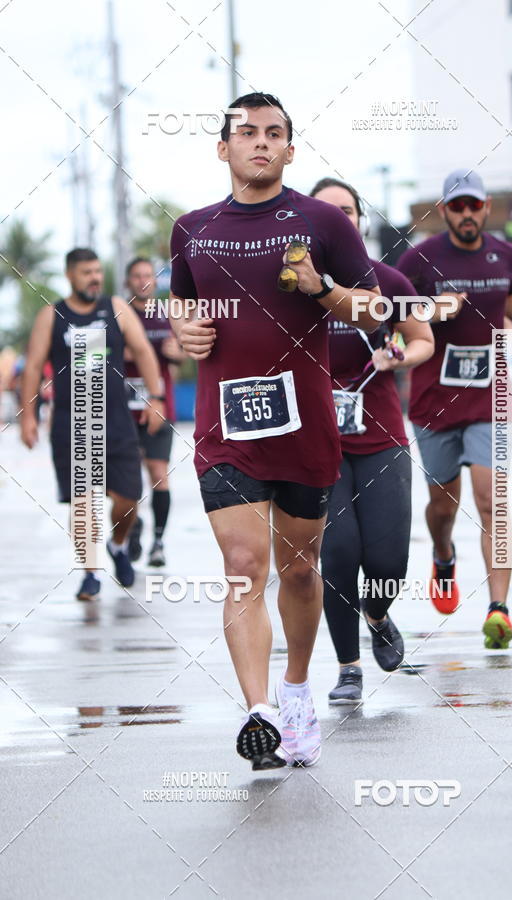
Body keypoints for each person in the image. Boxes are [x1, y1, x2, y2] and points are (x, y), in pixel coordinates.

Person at [168, 93, 382, 769]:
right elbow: (181, 301)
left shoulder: (321, 221)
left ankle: (295, 690)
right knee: (241, 567)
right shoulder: (192, 229)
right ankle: (258, 709)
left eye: (273, 134)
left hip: (304, 424)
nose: (259, 142)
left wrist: (320, 288)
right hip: (225, 425)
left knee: (297, 568)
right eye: (246, 133)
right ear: (222, 148)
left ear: (290, 149)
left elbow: (376, 309)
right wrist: (181, 326)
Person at [396, 169, 512, 649]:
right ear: (444, 212)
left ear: (486, 208)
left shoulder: (508, 255)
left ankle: (499, 609)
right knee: (443, 503)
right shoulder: (419, 260)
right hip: (434, 400)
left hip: (491, 397)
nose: (467, 214)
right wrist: (433, 311)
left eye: (474, 205)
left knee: (492, 500)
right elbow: (394, 318)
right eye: (458, 207)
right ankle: (443, 552)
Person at [310, 177, 434, 703]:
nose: (340, 220)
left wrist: (400, 354)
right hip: (319, 445)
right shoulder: (296, 292)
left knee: (387, 561)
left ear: (359, 221)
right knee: (337, 554)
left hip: (382, 438)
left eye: (348, 211)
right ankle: (348, 668)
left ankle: (378, 613)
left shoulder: (389, 282)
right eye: (327, 212)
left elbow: (424, 340)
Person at [20, 248, 165, 600]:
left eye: (98, 271)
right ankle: (90, 572)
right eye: (87, 272)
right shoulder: (52, 315)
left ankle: (117, 545)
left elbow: (144, 351)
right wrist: (28, 416)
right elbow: (34, 365)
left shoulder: (116, 308)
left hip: (116, 421)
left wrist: (157, 398)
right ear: (69, 275)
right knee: (83, 503)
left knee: (128, 501)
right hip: (73, 423)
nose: (95, 278)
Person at [124, 257, 185, 567]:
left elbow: (180, 355)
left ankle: (158, 542)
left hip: (162, 408)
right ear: (128, 282)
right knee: (127, 480)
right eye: (137, 276)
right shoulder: (118, 316)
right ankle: (133, 529)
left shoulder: (166, 315)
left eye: (148, 275)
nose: (143, 281)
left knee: (159, 475)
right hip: (124, 413)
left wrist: (178, 353)